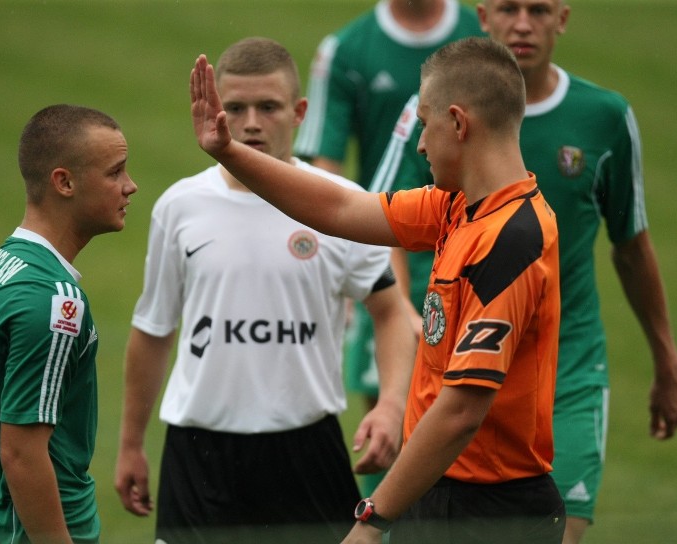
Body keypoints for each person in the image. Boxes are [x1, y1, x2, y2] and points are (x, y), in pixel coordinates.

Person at [192, 36, 565, 544]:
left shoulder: (512, 241)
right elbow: (340, 210)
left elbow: (460, 411)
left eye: (425, 124)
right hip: (436, 490)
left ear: (458, 123)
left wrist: (371, 522)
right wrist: (229, 153)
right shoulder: (456, 207)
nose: (419, 145)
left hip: (492, 513)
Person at [373, 2, 677, 542]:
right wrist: (401, 314)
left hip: (567, 370)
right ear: (482, 17)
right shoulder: (433, 111)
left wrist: (667, 361)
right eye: (508, 8)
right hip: (456, 350)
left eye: (538, 9)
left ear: (562, 18)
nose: (523, 23)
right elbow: (376, 215)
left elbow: (631, 244)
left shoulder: (605, 117)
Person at [115, 37, 415, 544]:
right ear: (213, 109)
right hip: (199, 451)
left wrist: (390, 404)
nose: (250, 122)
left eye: (268, 107)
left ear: (298, 112)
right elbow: (153, 329)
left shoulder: (342, 204)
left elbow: (391, 311)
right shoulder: (179, 206)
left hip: (306, 450)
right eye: (235, 107)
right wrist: (130, 444)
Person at [293, 0, 485, 496]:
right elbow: (325, 174)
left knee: (474, 435)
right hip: (387, 262)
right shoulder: (347, 50)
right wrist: (361, 281)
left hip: (475, 264)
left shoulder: (482, 32)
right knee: (388, 433)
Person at [0, 104, 138, 543]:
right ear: (64, 182)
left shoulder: (6, 263)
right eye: (115, 173)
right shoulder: (54, 301)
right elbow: (21, 454)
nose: (130, 186)